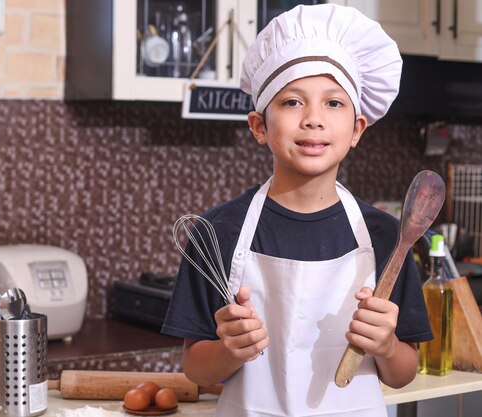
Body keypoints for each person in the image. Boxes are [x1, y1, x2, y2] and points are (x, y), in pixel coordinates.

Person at [161, 4, 432, 417]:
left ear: (357, 129)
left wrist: (387, 346)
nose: (314, 120)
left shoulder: (389, 237)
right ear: (258, 126)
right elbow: (197, 369)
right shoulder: (216, 231)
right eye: (291, 101)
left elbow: (402, 373)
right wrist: (230, 349)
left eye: (334, 104)